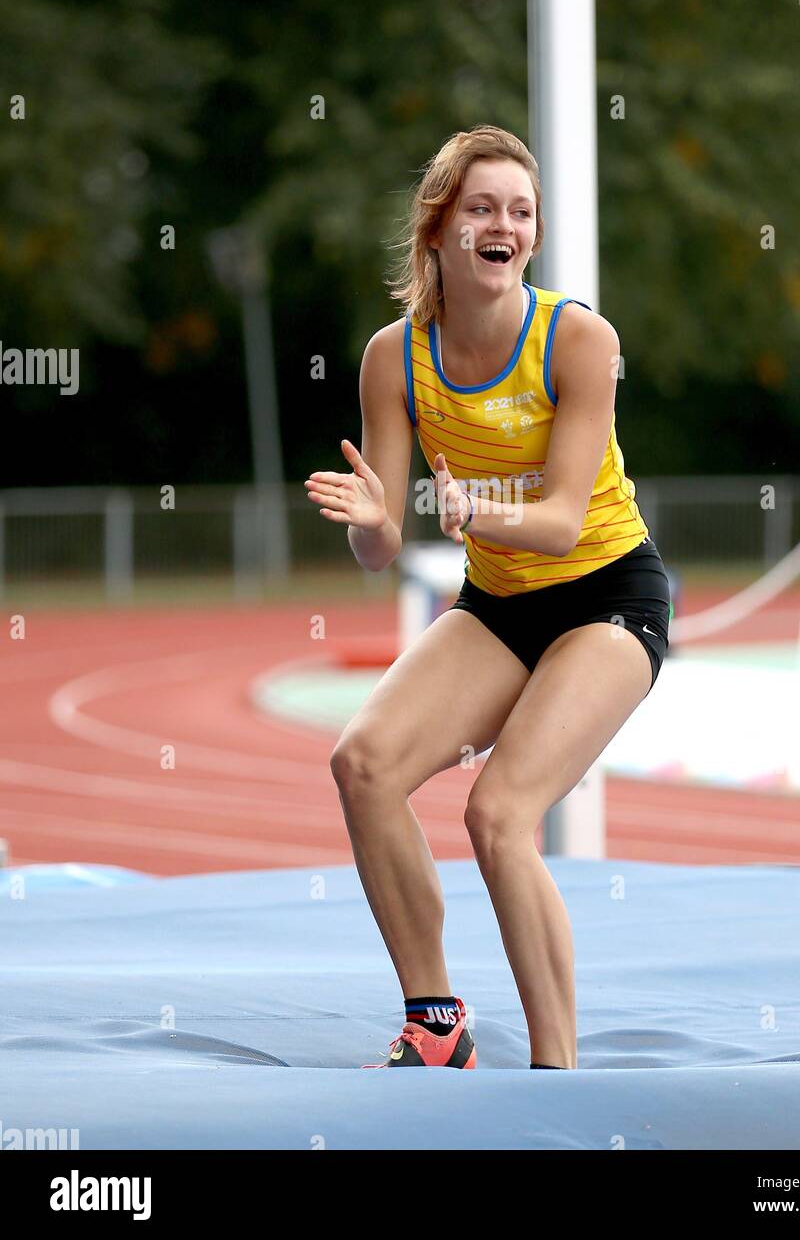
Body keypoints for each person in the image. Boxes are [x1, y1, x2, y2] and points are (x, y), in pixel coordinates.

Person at [304, 124, 670, 1070]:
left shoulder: (580, 340)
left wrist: (473, 511)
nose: (502, 224)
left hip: (607, 598)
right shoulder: (396, 357)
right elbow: (379, 551)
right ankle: (437, 1022)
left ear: (533, 237)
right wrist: (374, 518)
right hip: (501, 602)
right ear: (440, 230)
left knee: (500, 814)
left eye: (519, 211)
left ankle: (559, 1076)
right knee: (364, 764)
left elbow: (555, 521)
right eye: (480, 208)